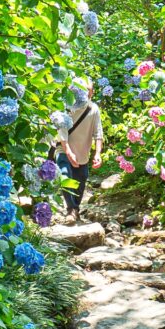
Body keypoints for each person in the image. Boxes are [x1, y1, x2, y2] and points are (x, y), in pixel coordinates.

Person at [56, 78, 103, 224]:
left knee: (81, 180)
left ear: (92, 92)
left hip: (82, 154)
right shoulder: (68, 106)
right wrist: (68, 152)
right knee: (65, 175)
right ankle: (70, 209)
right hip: (63, 149)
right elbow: (62, 132)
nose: (86, 92)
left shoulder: (93, 109)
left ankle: (75, 208)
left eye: (89, 89)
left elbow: (98, 133)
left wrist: (97, 153)